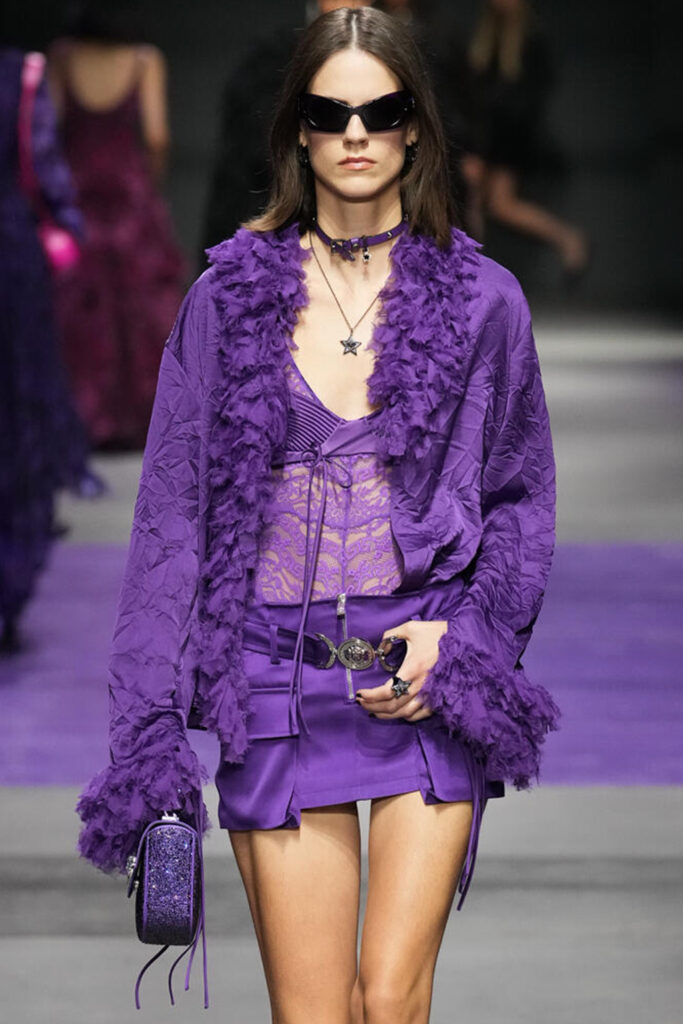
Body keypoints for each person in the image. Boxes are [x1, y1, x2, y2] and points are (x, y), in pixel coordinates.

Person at [77, 8, 560, 1021]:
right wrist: (148, 738)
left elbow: (519, 501)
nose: (354, 133)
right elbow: (170, 527)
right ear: (296, 128)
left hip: (419, 685)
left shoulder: (484, 302)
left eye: (379, 112)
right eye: (328, 112)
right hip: (273, 688)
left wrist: (466, 641)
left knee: (388, 1002)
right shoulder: (225, 303)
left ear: (415, 127)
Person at [48, 5, 185, 449]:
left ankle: (86, 418)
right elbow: (158, 136)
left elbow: (50, 126)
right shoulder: (143, 59)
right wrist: (148, 182)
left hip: (78, 192)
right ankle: (145, 419)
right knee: (141, 306)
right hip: (129, 193)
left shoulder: (63, 57)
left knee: (80, 306)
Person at [0, 43, 97, 653]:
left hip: (13, 263)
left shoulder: (28, 72)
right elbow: (44, 169)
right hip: (10, 264)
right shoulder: (21, 74)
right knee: (16, 421)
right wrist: (65, 235)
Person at [462, 0, 590, 276]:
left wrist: (486, 146)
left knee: (491, 203)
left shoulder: (528, 40)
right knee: (480, 203)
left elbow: (523, 101)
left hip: (508, 139)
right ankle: (472, 271)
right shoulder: (488, 38)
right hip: (490, 137)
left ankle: (567, 239)